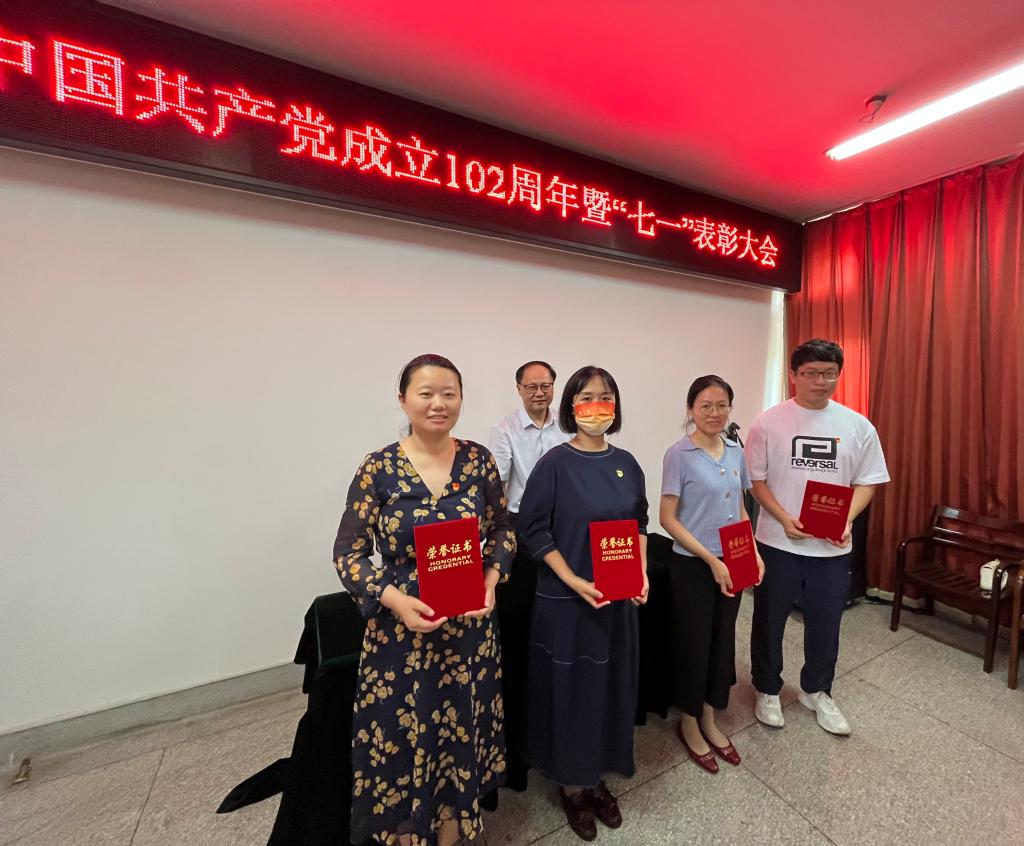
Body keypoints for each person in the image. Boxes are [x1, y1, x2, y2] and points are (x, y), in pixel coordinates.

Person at [333, 354, 515, 846]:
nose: (439, 404)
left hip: (469, 632)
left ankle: (452, 825)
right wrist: (394, 600)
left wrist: (491, 579)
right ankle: (408, 829)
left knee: (459, 729)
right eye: (426, 393)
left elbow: (502, 528)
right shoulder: (378, 468)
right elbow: (347, 555)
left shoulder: (478, 461)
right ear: (403, 400)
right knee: (402, 731)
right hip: (401, 634)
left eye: (449, 394)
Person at [518, 366, 649, 842]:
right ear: (571, 406)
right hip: (567, 601)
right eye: (587, 397)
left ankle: (597, 776)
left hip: (617, 600)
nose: (598, 405)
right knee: (572, 691)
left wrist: (641, 573)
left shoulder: (627, 462)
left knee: (609, 686)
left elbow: (639, 522)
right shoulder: (555, 463)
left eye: (606, 396)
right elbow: (532, 528)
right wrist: (572, 579)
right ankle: (573, 787)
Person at [745, 339, 889, 736]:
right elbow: (756, 480)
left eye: (829, 373)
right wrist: (782, 518)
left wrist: (847, 519)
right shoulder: (768, 423)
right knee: (769, 618)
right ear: (794, 375)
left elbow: (867, 482)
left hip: (832, 546)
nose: (820, 381)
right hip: (778, 542)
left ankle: (817, 690)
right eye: (811, 373)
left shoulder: (858, 426)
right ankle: (767, 688)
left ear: (839, 375)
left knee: (827, 622)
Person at [660, 375, 764, 773]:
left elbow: (739, 508)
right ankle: (688, 721)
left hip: (732, 558)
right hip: (693, 564)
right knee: (694, 643)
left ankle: (709, 716)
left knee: (722, 639)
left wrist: (752, 552)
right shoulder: (679, 454)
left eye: (722, 405)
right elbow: (668, 518)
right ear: (691, 409)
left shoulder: (735, 451)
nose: (715, 413)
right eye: (706, 405)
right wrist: (710, 559)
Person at [487, 360, 571, 789]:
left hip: (566, 528)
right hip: (522, 532)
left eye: (546, 385)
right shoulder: (504, 431)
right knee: (522, 626)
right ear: (518, 389)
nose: (539, 392)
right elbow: (498, 494)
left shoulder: (568, 426)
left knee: (560, 620)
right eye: (531, 386)